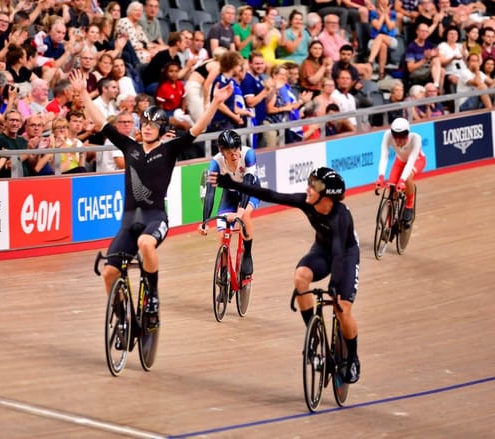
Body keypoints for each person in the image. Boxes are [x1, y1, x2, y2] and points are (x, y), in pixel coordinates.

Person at [69, 69, 234, 330]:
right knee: (109, 272)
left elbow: (197, 129)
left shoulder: (169, 150)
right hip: (128, 222)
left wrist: (214, 103)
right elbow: (102, 123)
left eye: (153, 126)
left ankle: (153, 297)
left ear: (161, 130)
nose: (147, 129)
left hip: (155, 218)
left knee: (146, 243)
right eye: (144, 124)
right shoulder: (129, 147)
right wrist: (82, 95)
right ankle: (125, 318)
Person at [213, 166, 361, 384]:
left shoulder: (341, 215)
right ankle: (314, 334)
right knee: (300, 276)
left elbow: (339, 252)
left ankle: (353, 358)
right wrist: (232, 184)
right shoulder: (305, 201)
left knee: (342, 308)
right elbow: (271, 195)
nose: (308, 189)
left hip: (346, 256)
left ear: (327, 195)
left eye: (314, 186)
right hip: (321, 250)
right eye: (309, 183)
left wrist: (335, 285)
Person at [199, 130, 258, 279]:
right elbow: (210, 193)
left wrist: (239, 212)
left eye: (236, 149)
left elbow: (248, 184)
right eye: (229, 150)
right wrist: (205, 221)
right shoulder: (215, 163)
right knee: (222, 236)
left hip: (251, 189)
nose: (234, 154)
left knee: (244, 216)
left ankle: (247, 254)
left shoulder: (248, 155)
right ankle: (224, 275)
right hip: (230, 194)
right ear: (221, 151)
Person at [376, 118, 426, 223]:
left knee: (407, 179)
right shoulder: (387, 135)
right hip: (400, 161)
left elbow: (411, 161)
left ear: (408, 134)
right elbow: (384, 157)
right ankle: (389, 222)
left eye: (402, 137)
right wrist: (380, 177)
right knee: (391, 188)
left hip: (417, 160)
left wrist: (402, 180)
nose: (398, 141)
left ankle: (409, 205)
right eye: (395, 137)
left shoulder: (416, 139)